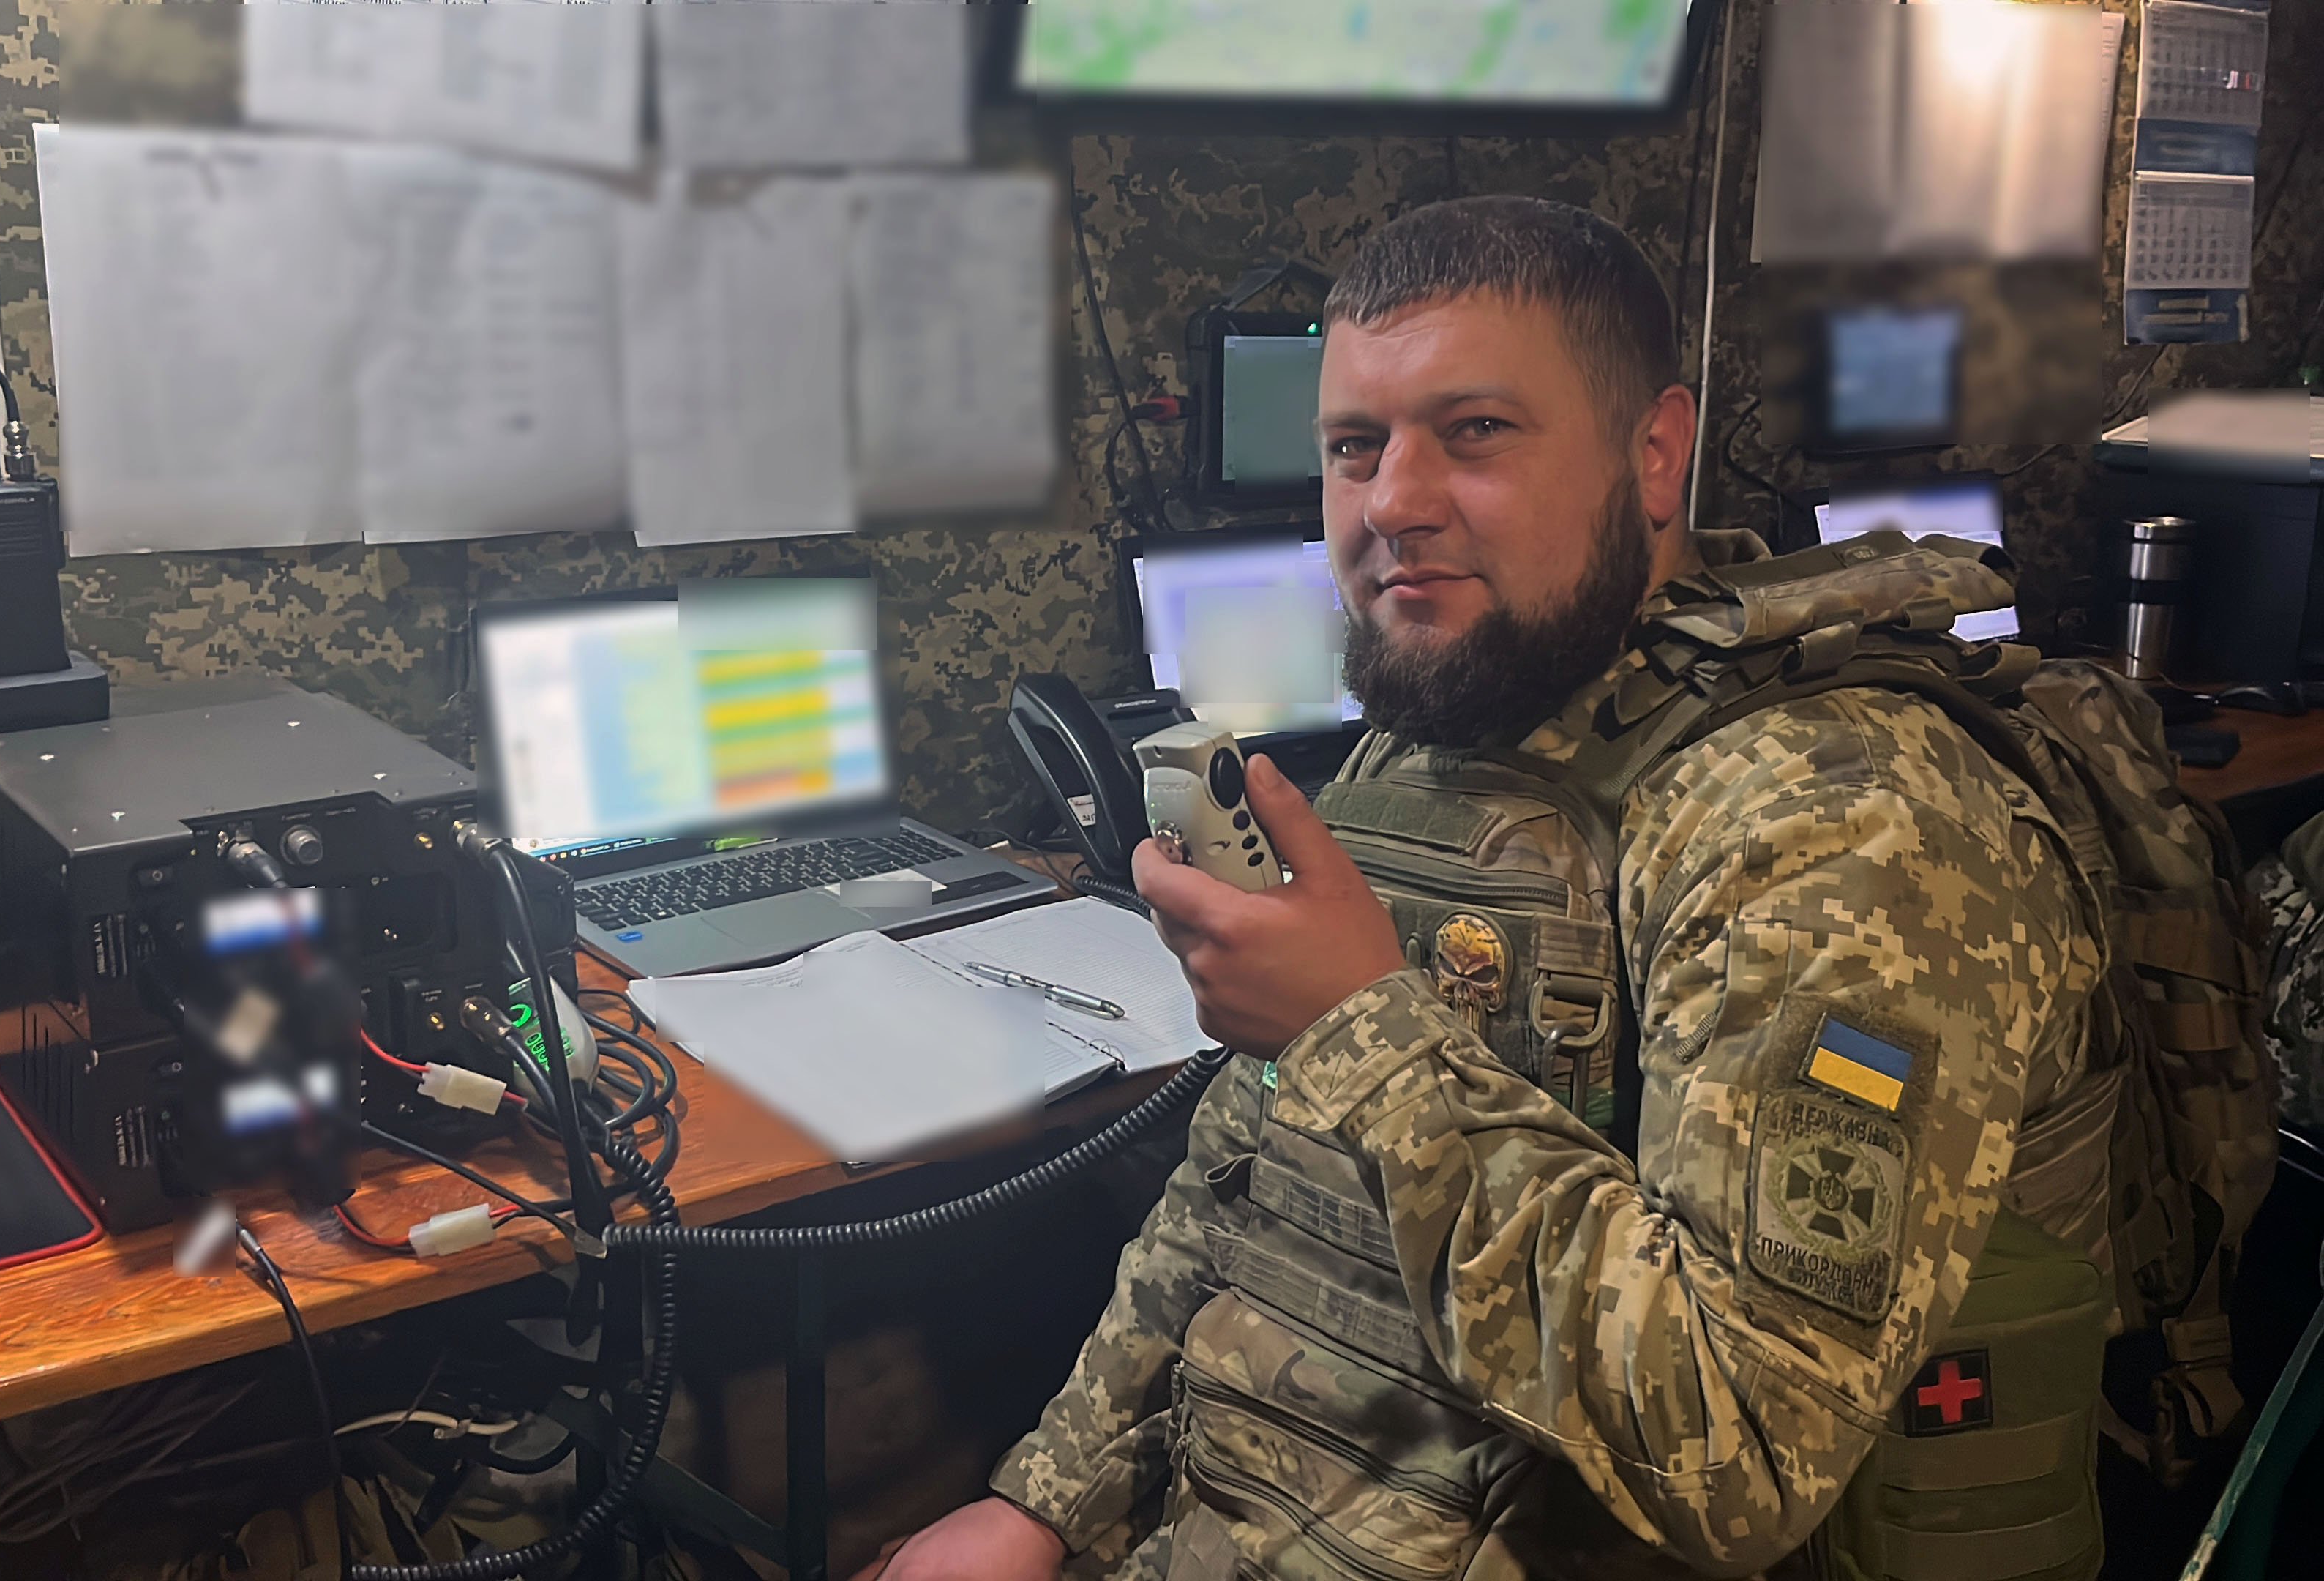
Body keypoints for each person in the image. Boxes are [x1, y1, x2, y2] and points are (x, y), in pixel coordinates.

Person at [868, 196, 2117, 1580]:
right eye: (1354, 447)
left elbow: (1744, 1452)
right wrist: (1044, 1501)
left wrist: (1351, 1025)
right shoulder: (1453, 718)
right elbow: (1241, 1181)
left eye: (1474, 431)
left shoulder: (1835, 822)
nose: (1390, 505)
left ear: (1653, 454)